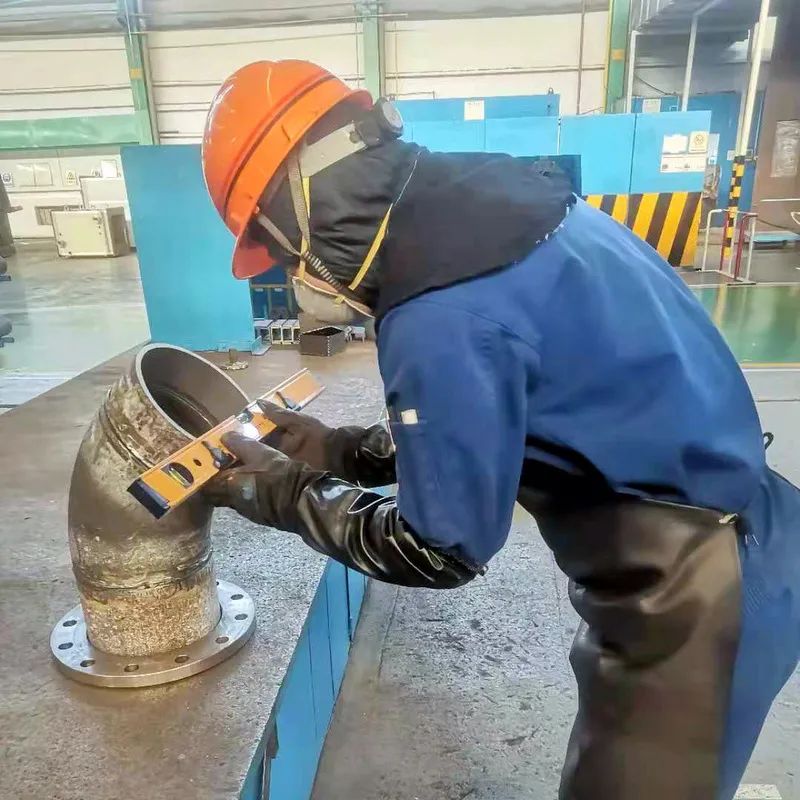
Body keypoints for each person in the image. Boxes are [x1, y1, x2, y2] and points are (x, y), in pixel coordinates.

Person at [201, 60, 800, 800]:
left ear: (301, 204)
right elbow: (508, 406)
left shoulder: (435, 311)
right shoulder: (504, 201)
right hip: (745, 528)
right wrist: (341, 449)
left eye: (287, 251)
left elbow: (440, 549)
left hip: (699, 599)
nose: (297, 272)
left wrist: (288, 495)